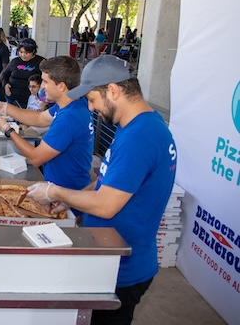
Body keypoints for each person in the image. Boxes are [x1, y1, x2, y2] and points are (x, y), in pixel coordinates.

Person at [26, 54, 177, 325]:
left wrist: (55, 192)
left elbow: (107, 204)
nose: (92, 109)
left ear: (114, 91)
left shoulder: (138, 138)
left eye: (93, 100)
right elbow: (106, 179)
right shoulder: (138, 125)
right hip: (109, 256)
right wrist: (75, 200)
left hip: (122, 268)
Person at [0, 55, 94, 197]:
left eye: (46, 82)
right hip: (60, 189)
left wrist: (7, 129)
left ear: (61, 86)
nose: (42, 86)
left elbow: (36, 158)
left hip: (67, 195)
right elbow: (40, 118)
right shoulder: (72, 104)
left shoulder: (69, 118)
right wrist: (5, 108)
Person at [2, 38, 45, 108]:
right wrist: (5, 85)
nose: (23, 55)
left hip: (31, 100)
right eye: (21, 52)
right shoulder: (15, 61)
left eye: (26, 53)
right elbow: (5, 74)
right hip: (12, 98)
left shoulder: (41, 62)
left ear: (33, 51)